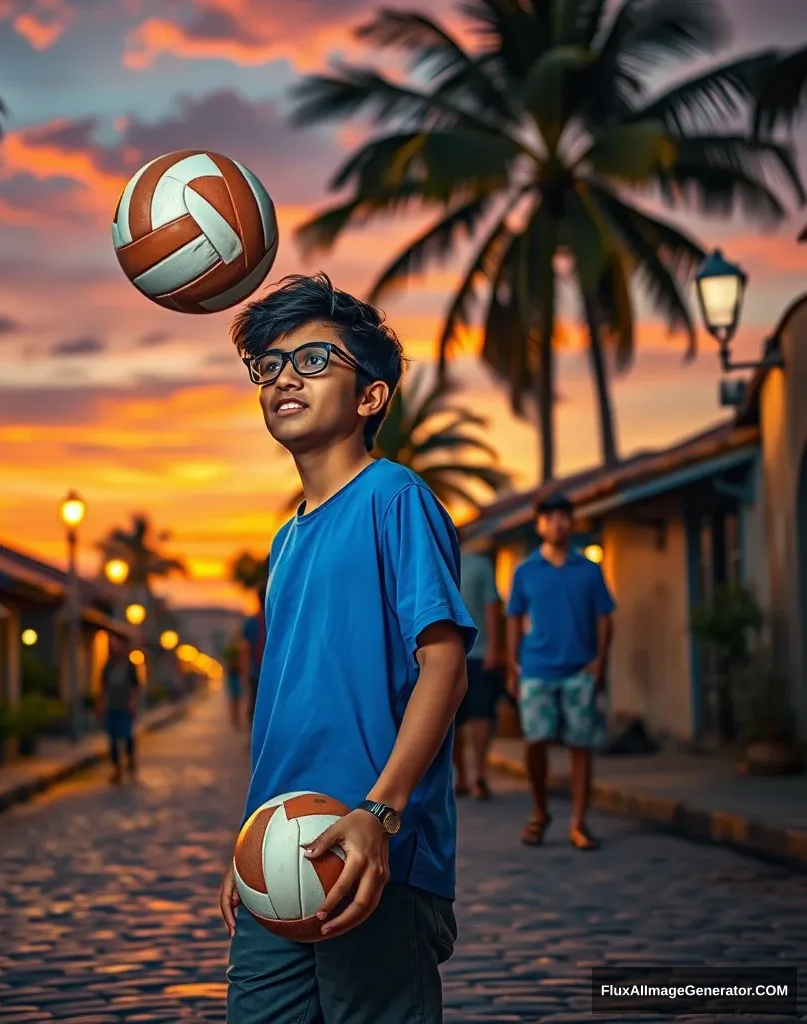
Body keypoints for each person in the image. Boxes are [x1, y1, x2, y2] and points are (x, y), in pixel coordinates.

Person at [219, 273, 477, 1024]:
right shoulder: (286, 539)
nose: (281, 379)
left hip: (374, 855)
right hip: (278, 851)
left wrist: (380, 811)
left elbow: (445, 666)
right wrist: (251, 840)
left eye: (311, 361)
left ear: (370, 398)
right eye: (267, 365)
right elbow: (289, 709)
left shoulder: (395, 498)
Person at [504, 494, 615, 851]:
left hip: (579, 670)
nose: (557, 523)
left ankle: (579, 822)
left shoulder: (589, 569)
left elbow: (604, 617)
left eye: (564, 517)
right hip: (536, 669)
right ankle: (540, 811)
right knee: (535, 742)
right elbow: (514, 618)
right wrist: (512, 664)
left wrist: (599, 661)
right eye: (550, 518)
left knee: (580, 746)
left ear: (572, 521)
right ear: (539, 525)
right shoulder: (525, 571)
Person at [454, 547, 503, 799]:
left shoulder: (479, 564)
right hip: (443, 658)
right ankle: (461, 775)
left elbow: (492, 605)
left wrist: (495, 647)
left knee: (481, 714)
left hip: (479, 653)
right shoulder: (428, 560)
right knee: (451, 722)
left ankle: (479, 775)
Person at [99, 634, 140, 783]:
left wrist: (133, 703)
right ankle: (117, 768)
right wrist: (101, 706)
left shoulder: (130, 666)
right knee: (113, 739)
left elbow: (136, 687)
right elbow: (102, 688)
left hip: (125, 708)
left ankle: (130, 760)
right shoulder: (108, 666)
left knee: (127, 736)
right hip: (112, 707)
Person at [238, 580, 266, 732]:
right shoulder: (279, 620)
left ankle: (255, 740)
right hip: (277, 674)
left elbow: (245, 652)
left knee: (255, 708)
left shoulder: (251, 622)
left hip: (256, 674)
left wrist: (244, 676)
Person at [224, 638, 244, 731]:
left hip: (235, 678)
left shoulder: (236, 653)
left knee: (235, 700)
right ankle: (235, 719)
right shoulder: (234, 653)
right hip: (233, 678)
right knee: (234, 700)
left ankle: (236, 719)